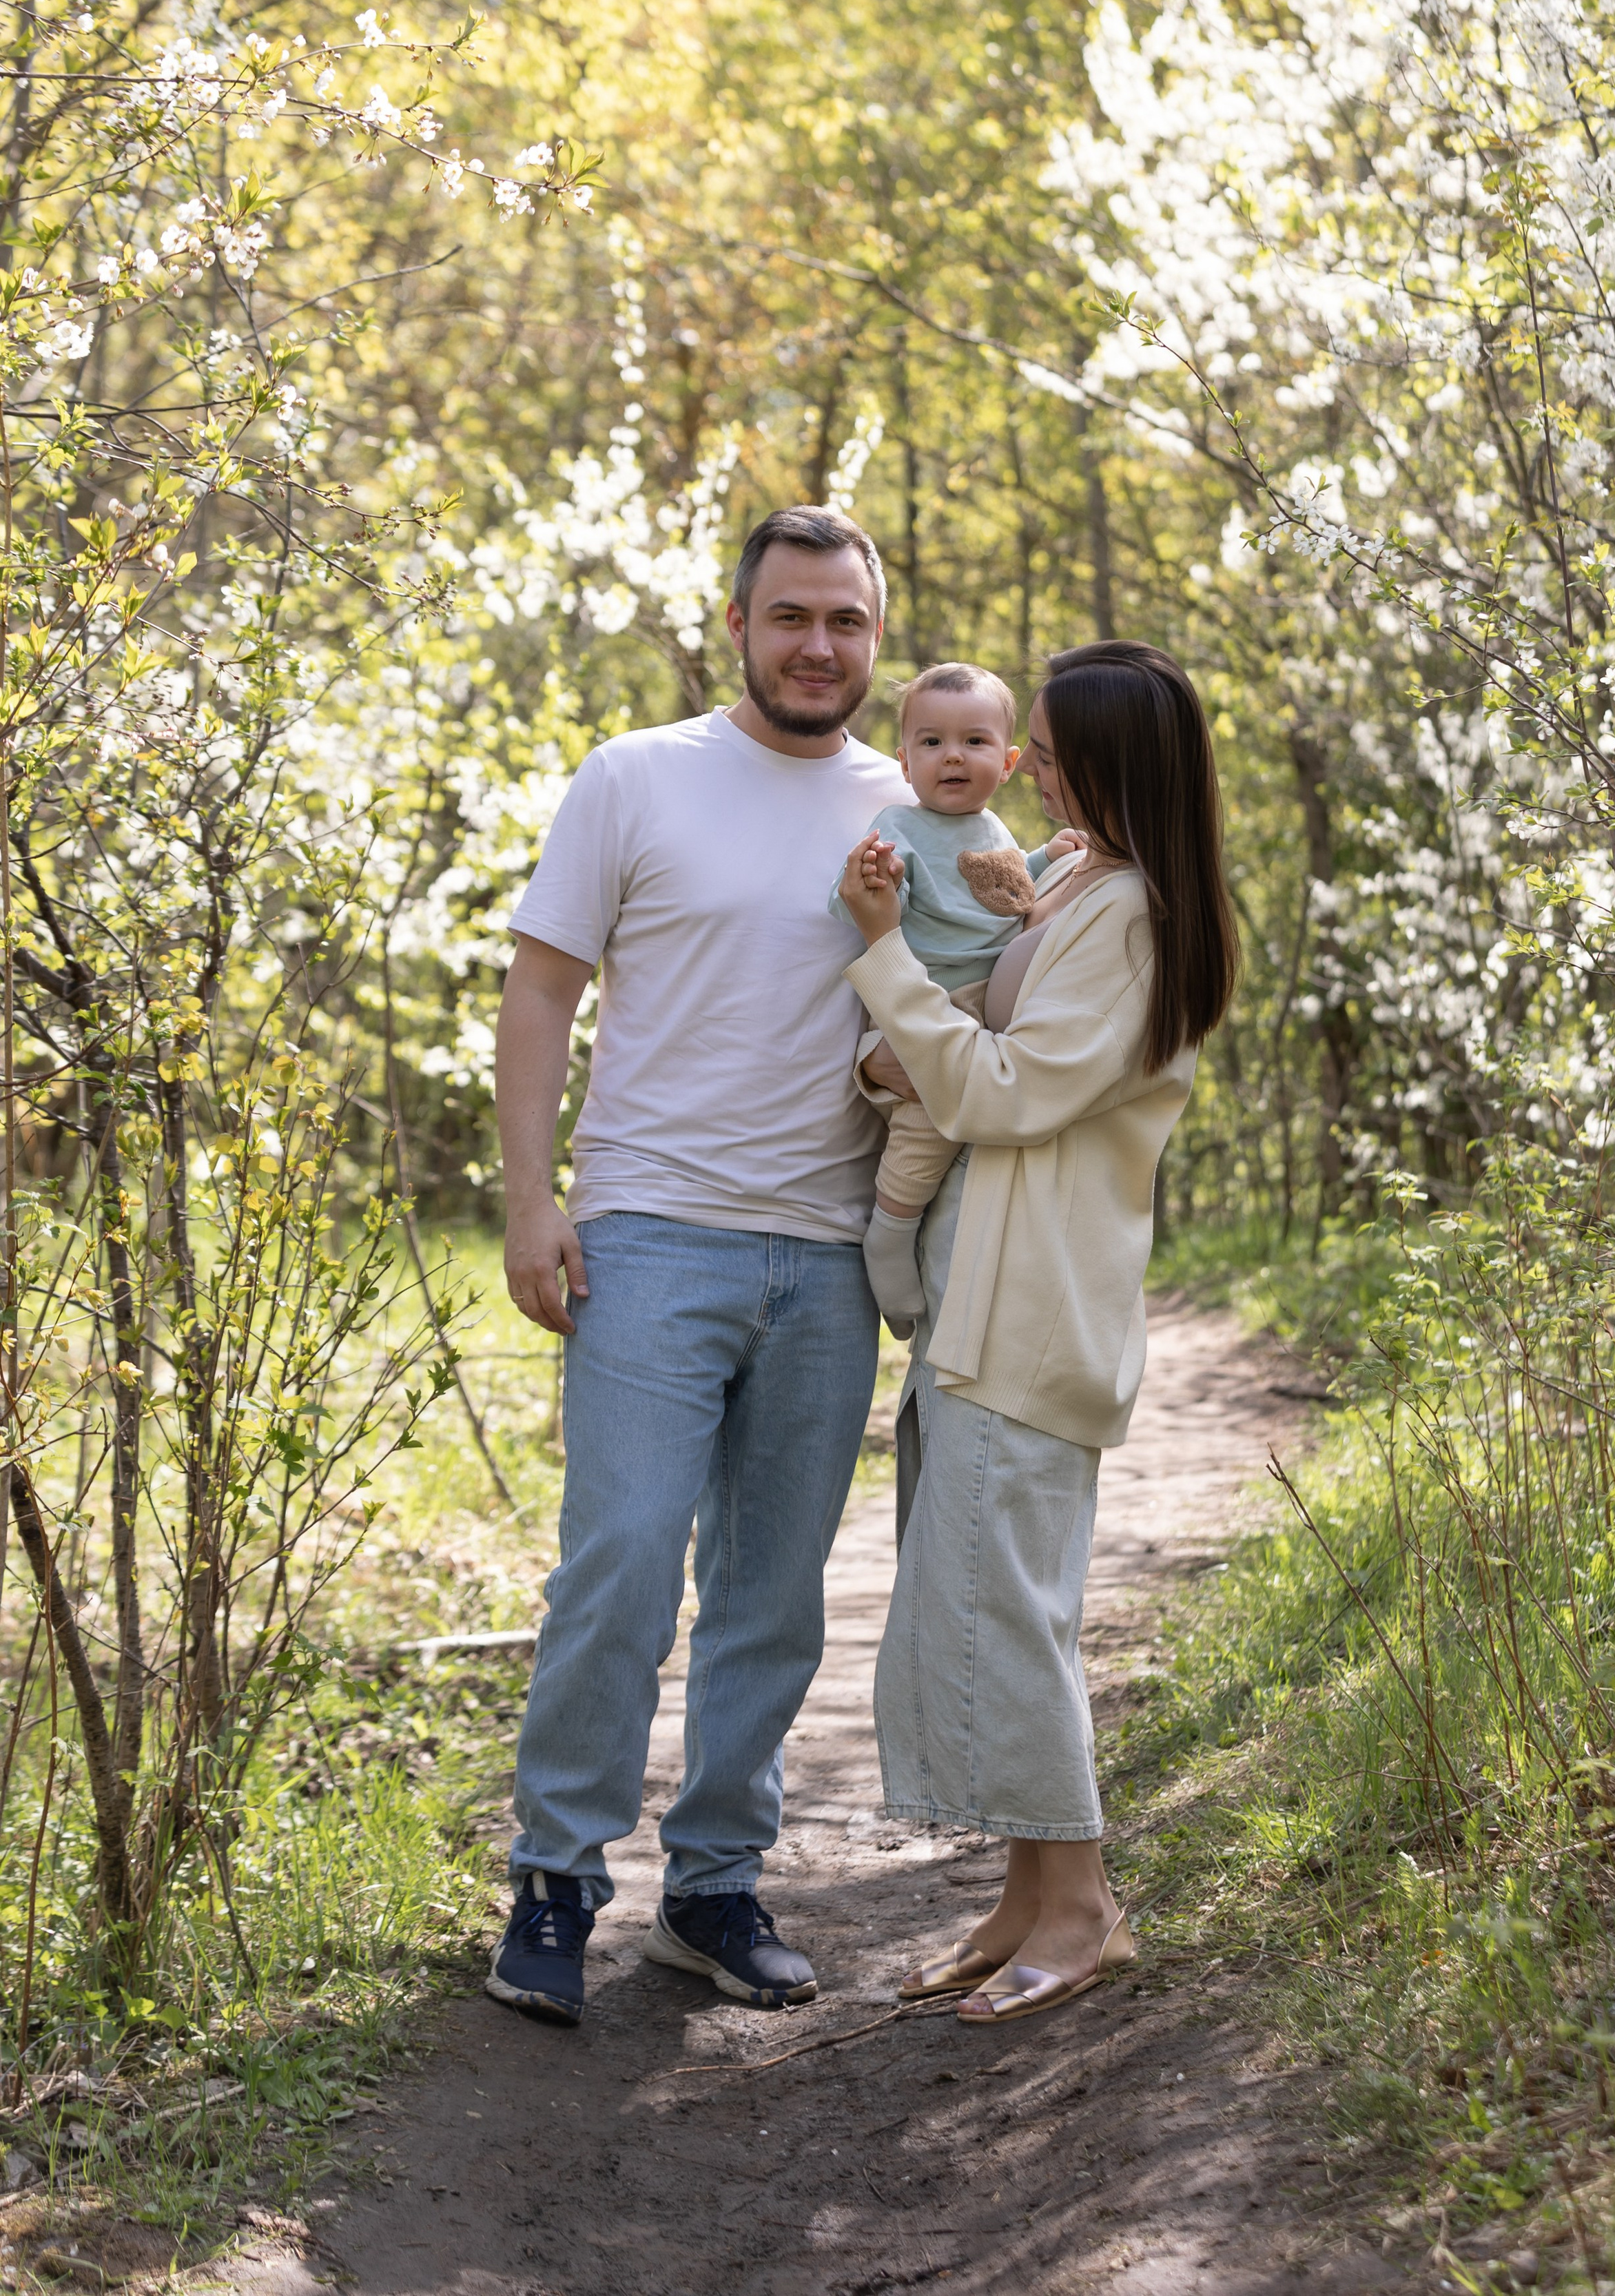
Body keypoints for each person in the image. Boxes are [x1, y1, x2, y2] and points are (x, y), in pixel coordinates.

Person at [486, 505, 902, 2027]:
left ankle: (714, 1883)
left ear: (876, 630)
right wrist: (534, 1205)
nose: (816, 645)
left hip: (830, 1252)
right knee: (619, 1558)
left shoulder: (909, 805)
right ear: (738, 625)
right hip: (649, 1236)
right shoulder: (635, 776)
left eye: (843, 620)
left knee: (772, 1592)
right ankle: (553, 1877)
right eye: (789, 616)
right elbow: (540, 993)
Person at [836, 641, 1238, 2030]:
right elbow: (959, 1042)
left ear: (1116, 765)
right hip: (974, 1287)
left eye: (1057, 752)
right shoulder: (1072, 880)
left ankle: (1079, 1910)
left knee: (1005, 1608)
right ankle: (1021, 1894)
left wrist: (886, 961)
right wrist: (904, 1024)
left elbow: (1000, 1090)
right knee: (972, 1589)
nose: (1033, 772)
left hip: (1032, 1299)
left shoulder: (1131, 915)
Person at [827, 662, 1073, 1329]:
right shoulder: (899, 826)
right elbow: (852, 902)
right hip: (934, 1007)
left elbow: (1005, 890)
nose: (952, 756)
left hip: (990, 1008)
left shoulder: (992, 831)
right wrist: (885, 881)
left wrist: (1047, 858)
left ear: (1009, 759)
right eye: (931, 743)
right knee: (929, 1128)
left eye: (974, 741)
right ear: (904, 761)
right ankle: (890, 1227)